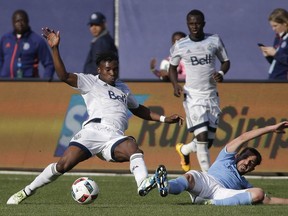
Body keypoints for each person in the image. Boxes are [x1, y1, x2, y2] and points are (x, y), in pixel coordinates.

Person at [6, 27, 183, 205]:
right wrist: (55, 48)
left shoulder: (123, 87)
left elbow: (138, 109)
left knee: (133, 148)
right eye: (108, 70)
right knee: (62, 166)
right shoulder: (90, 81)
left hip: (114, 136)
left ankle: (143, 183)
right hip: (92, 132)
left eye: (115, 69)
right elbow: (63, 75)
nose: (112, 73)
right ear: (99, 69)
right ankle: (26, 191)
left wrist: (164, 119)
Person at [154, 121, 288, 205]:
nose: (247, 162)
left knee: (258, 193)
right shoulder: (226, 158)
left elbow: (267, 200)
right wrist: (271, 129)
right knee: (189, 176)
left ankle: (208, 203)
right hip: (206, 181)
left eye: (251, 163)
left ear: (252, 169)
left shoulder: (244, 183)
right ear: (237, 156)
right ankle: (166, 187)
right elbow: (243, 138)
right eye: (245, 157)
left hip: (221, 194)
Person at [168, 9, 230, 173]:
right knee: (202, 138)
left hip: (211, 96)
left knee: (207, 142)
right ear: (187, 24)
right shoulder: (180, 45)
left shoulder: (214, 40)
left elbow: (226, 61)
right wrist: (175, 84)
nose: (194, 26)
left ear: (203, 23)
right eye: (191, 23)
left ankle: (184, 150)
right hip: (193, 96)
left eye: (197, 23)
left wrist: (222, 73)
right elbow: (172, 68)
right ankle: (209, 178)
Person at [0, 9, 54, 79]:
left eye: (22, 20)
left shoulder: (37, 40)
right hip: (5, 83)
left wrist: (45, 84)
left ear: (27, 21)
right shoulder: (5, 39)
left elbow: (49, 64)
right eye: (17, 21)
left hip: (27, 84)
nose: (20, 23)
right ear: (13, 22)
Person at [258, 8, 288, 80]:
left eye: (275, 26)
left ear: (285, 23)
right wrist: (269, 56)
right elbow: (278, 63)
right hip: (274, 79)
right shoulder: (278, 38)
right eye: (272, 26)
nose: (273, 29)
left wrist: (275, 54)